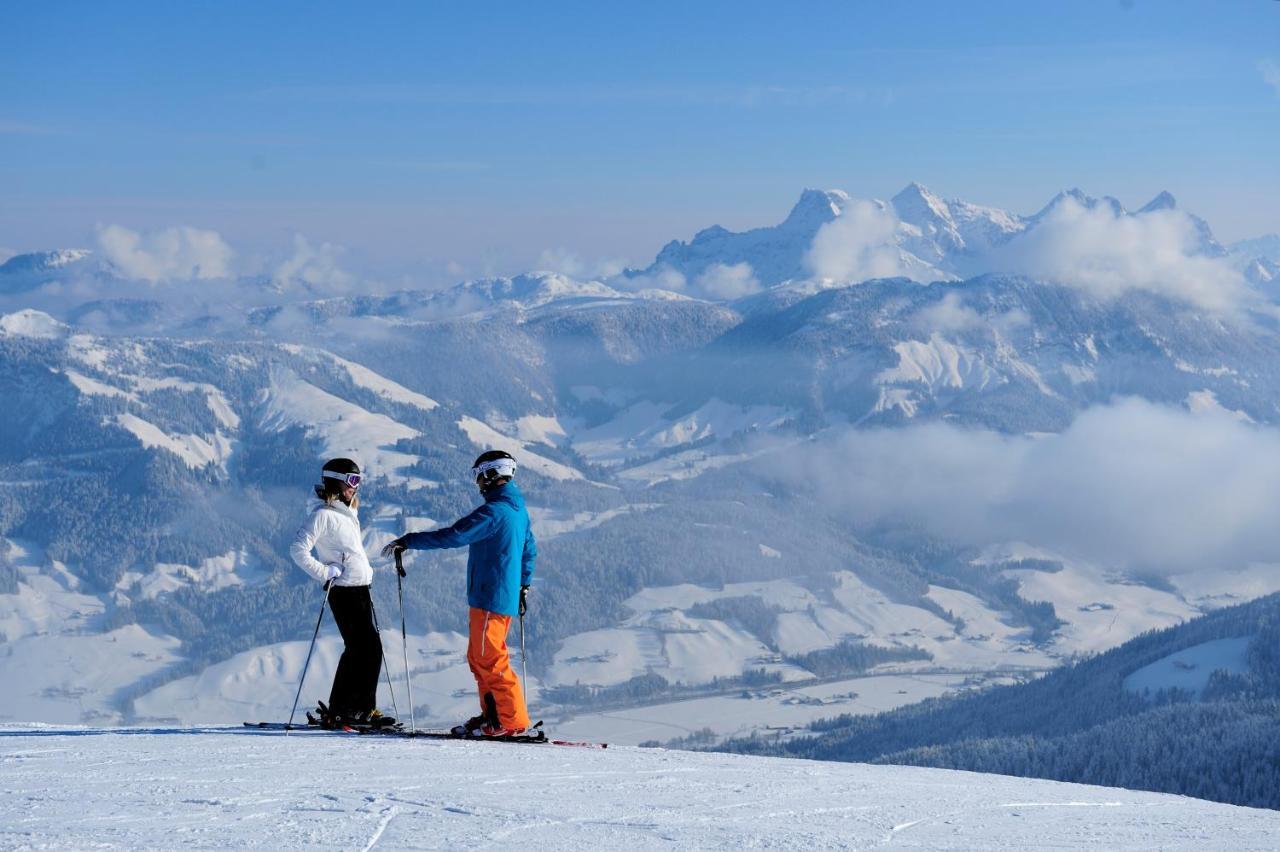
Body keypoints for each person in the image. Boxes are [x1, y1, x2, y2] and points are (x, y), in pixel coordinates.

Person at [382, 449, 536, 737]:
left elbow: (454, 535)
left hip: (491, 596)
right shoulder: (517, 509)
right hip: (494, 596)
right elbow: (529, 549)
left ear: (491, 474)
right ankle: (494, 715)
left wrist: (410, 541)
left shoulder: (495, 512)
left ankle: (510, 721)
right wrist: (523, 586)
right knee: (479, 658)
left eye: (479, 476)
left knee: (490, 658)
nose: (477, 483)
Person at [289, 457, 390, 728]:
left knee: (360, 649)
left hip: (359, 588)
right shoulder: (323, 515)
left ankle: (347, 708)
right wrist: (324, 572)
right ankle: (356, 709)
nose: (355, 487)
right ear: (337, 481)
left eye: (358, 481)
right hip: (344, 591)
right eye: (352, 481)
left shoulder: (347, 513)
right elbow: (298, 550)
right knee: (367, 649)